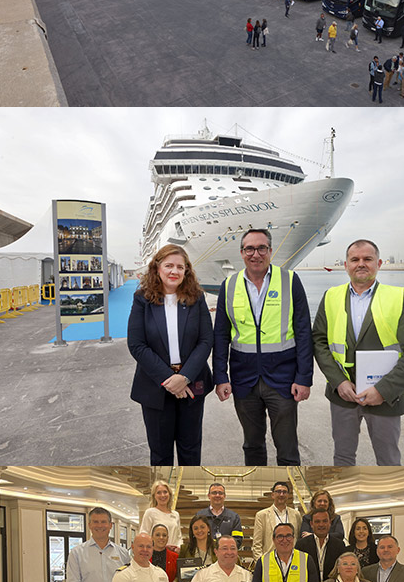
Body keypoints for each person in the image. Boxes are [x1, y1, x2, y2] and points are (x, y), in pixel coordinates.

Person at [312, 239, 404, 466]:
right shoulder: (331, 297)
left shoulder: (398, 298)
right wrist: (339, 382)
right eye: (355, 259)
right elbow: (319, 342)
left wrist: (383, 390)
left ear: (379, 263)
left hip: (384, 398)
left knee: (388, 462)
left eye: (367, 259)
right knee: (343, 459)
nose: (361, 264)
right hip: (343, 395)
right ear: (346, 265)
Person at [213, 228, 313, 465]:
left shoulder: (290, 280)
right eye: (249, 248)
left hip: (283, 379)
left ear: (270, 251)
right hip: (243, 379)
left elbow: (303, 333)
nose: (255, 254)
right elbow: (220, 335)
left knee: (288, 449)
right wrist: (220, 376)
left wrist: (304, 377)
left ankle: (286, 491)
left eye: (261, 248)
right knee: (252, 446)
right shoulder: (229, 285)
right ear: (241, 253)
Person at [128, 244, 213, 465]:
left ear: (186, 271)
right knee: (160, 453)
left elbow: (206, 341)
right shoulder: (142, 300)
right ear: (157, 269)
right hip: (155, 387)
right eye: (169, 265)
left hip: (191, 384)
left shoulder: (197, 299)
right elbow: (137, 344)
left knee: (191, 451)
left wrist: (184, 377)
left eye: (180, 267)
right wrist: (169, 379)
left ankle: (188, 495)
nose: (174, 271)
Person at [252, 481, 301, 560]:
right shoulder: (262, 515)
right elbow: (257, 544)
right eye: (278, 492)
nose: (281, 495)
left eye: (284, 492)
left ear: (288, 495)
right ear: (273, 495)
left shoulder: (296, 515)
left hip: (292, 561)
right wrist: (261, 564)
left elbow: (298, 540)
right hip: (270, 560)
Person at [296, 508, 346, 581]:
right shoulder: (301, 545)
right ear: (311, 524)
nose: (321, 524)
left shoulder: (339, 545)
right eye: (317, 521)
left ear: (330, 523)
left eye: (325, 521)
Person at [196, 483, 243, 547]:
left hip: (227, 555)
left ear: (224, 496)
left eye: (220, 493)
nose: (217, 495)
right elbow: (195, 537)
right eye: (214, 493)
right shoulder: (200, 516)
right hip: (205, 554)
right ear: (209, 496)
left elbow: (238, 539)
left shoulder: (234, 517)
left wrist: (224, 548)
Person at [139, 480, 182, 550]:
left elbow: (179, 537)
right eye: (159, 493)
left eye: (165, 492)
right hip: (156, 553)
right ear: (154, 496)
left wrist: (178, 548)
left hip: (173, 554)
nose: (162, 495)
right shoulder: (150, 512)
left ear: (169, 494)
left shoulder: (175, 514)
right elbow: (144, 536)